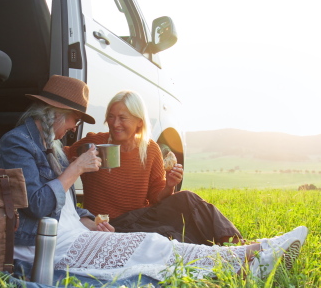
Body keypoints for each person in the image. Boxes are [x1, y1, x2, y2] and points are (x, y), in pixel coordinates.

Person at [0, 75, 308, 282]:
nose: (74, 127)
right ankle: (244, 262)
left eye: (122, 118)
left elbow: (71, 208)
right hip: (59, 241)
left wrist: (90, 219)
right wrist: (78, 168)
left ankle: (250, 251)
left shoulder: (57, 146)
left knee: (167, 226)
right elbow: (37, 204)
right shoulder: (25, 144)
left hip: (90, 230)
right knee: (154, 247)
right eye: (74, 119)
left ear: (138, 122)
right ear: (54, 113)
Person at [66, 91, 242, 246]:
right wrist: (77, 164)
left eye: (122, 118)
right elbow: (60, 156)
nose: (114, 123)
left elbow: (157, 197)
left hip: (139, 220)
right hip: (107, 225)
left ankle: (235, 244)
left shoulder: (150, 149)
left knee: (188, 199)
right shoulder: (94, 143)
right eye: (111, 116)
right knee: (171, 235)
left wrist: (169, 185)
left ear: (139, 123)